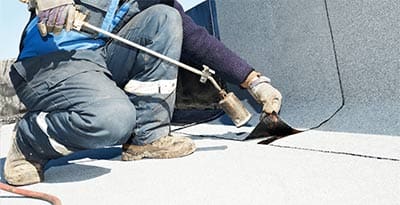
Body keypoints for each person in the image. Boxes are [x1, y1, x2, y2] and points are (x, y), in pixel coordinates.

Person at [4, 0, 282, 186]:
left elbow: (197, 40)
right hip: (50, 62)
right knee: (111, 120)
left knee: (165, 17)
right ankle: (29, 140)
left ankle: (146, 137)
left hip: (100, 59)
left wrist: (252, 80)